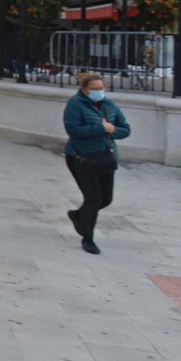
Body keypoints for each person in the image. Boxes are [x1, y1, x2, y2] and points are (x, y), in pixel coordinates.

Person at [63, 72, 130, 255]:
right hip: (81, 157)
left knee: (106, 198)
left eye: (101, 88)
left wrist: (111, 130)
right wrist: (100, 128)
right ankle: (88, 238)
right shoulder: (75, 104)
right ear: (84, 90)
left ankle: (78, 215)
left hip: (106, 157)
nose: (99, 92)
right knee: (93, 198)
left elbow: (125, 129)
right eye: (94, 89)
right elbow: (73, 129)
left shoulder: (109, 106)